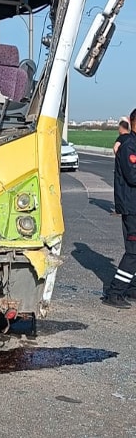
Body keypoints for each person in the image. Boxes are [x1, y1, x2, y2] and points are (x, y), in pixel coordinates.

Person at [105, 108, 136, 308]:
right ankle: (114, 293)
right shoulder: (129, 146)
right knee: (133, 252)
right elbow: (133, 176)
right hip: (133, 207)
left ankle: (132, 289)